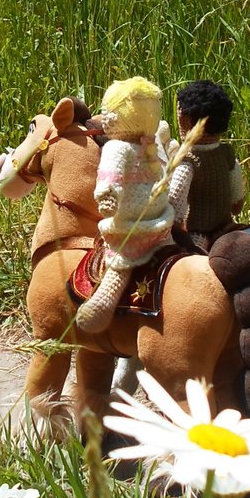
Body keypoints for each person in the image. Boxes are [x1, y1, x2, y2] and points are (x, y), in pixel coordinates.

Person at [74, 76, 175, 333]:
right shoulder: (152, 143)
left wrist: (107, 197)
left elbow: (111, 178)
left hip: (133, 221)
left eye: (107, 112)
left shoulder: (117, 148)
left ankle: (103, 303)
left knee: (120, 261)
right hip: (161, 218)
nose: (103, 117)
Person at [168, 80, 244, 252]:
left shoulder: (188, 161)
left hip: (199, 232)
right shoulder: (226, 153)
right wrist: (236, 205)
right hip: (226, 225)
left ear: (185, 120)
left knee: (188, 258)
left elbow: (175, 205)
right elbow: (237, 200)